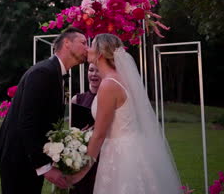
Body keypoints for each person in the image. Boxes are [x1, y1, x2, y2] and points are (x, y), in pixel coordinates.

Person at [71, 33, 181, 193]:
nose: (87, 49)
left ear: (100, 54)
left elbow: (99, 135)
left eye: (91, 45)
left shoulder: (108, 84)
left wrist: (80, 172)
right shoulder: (117, 79)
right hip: (126, 148)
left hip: (120, 156)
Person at [0, 27, 88, 194]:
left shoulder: (56, 73)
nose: (87, 48)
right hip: (18, 156)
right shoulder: (44, 72)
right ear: (67, 43)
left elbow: (45, 121)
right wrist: (44, 167)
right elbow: (27, 122)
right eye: (83, 43)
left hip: (28, 155)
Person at [69, 63, 101, 194]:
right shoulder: (77, 99)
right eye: (91, 70)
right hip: (81, 157)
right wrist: (78, 134)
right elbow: (71, 133)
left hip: (102, 157)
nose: (93, 74)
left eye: (98, 71)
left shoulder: (109, 100)